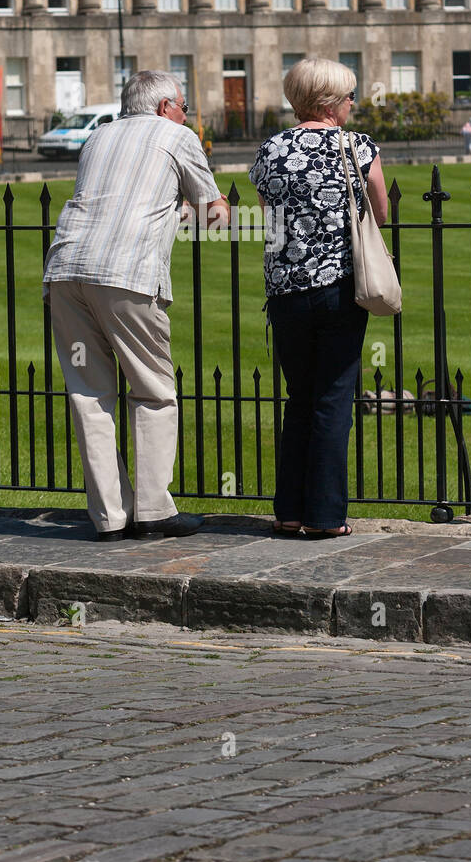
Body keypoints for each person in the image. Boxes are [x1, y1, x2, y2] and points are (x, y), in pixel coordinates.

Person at [42, 71, 229, 541]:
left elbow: (123, 197)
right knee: (153, 390)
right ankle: (152, 511)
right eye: (183, 105)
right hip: (126, 273)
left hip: (66, 269)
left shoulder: (98, 136)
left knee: (90, 395)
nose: (187, 114)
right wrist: (216, 203)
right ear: (166, 106)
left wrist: (174, 207)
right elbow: (214, 219)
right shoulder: (177, 135)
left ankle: (109, 517)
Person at [249, 58, 389, 539]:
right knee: (332, 400)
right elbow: (381, 210)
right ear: (331, 103)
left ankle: (288, 512)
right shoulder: (357, 145)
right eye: (349, 96)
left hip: (286, 291)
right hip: (339, 287)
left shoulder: (270, 150)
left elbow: (271, 218)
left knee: (299, 399)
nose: (353, 103)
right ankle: (326, 516)